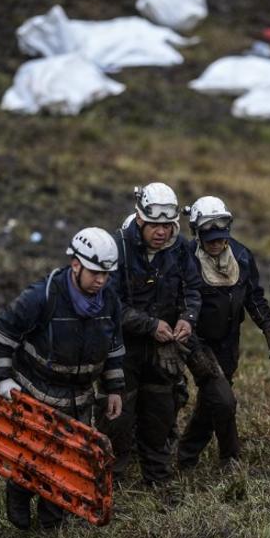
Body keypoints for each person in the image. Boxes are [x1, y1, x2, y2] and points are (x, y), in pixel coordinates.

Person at [0, 227, 125, 530]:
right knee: (32, 455)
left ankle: (51, 524)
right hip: (37, 394)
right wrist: (2, 379)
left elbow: (113, 347)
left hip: (79, 399)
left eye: (107, 274)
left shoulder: (109, 301)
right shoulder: (42, 295)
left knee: (67, 462)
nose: (101, 280)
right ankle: (19, 494)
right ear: (76, 264)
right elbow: (2, 334)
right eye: (95, 273)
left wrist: (113, 389)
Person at [100, 182, 232, 486]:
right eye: (156, 225)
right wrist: (149, 325)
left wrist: (187, 318)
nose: (162, 232)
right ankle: (112, 479)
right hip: (124, 348)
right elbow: (109, 303)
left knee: (160, 412)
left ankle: (157, 478)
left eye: (169, 226)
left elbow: (193, 290)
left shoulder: (181, 248)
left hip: (166, 348)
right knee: (118, 416)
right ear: (140, 219)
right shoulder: (117, 247)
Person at [176, 196, 270, 469]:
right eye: (210, 238)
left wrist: (269, 326)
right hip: (197, 341)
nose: (216, 243)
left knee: (213, 399)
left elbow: (254, 297)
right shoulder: (184, 260)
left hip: (228, 340)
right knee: (223, 400)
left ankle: (186, 456)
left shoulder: (243, 257)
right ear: (197, 234)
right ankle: (230, 457)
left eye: (221, 237)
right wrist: (188, 346)